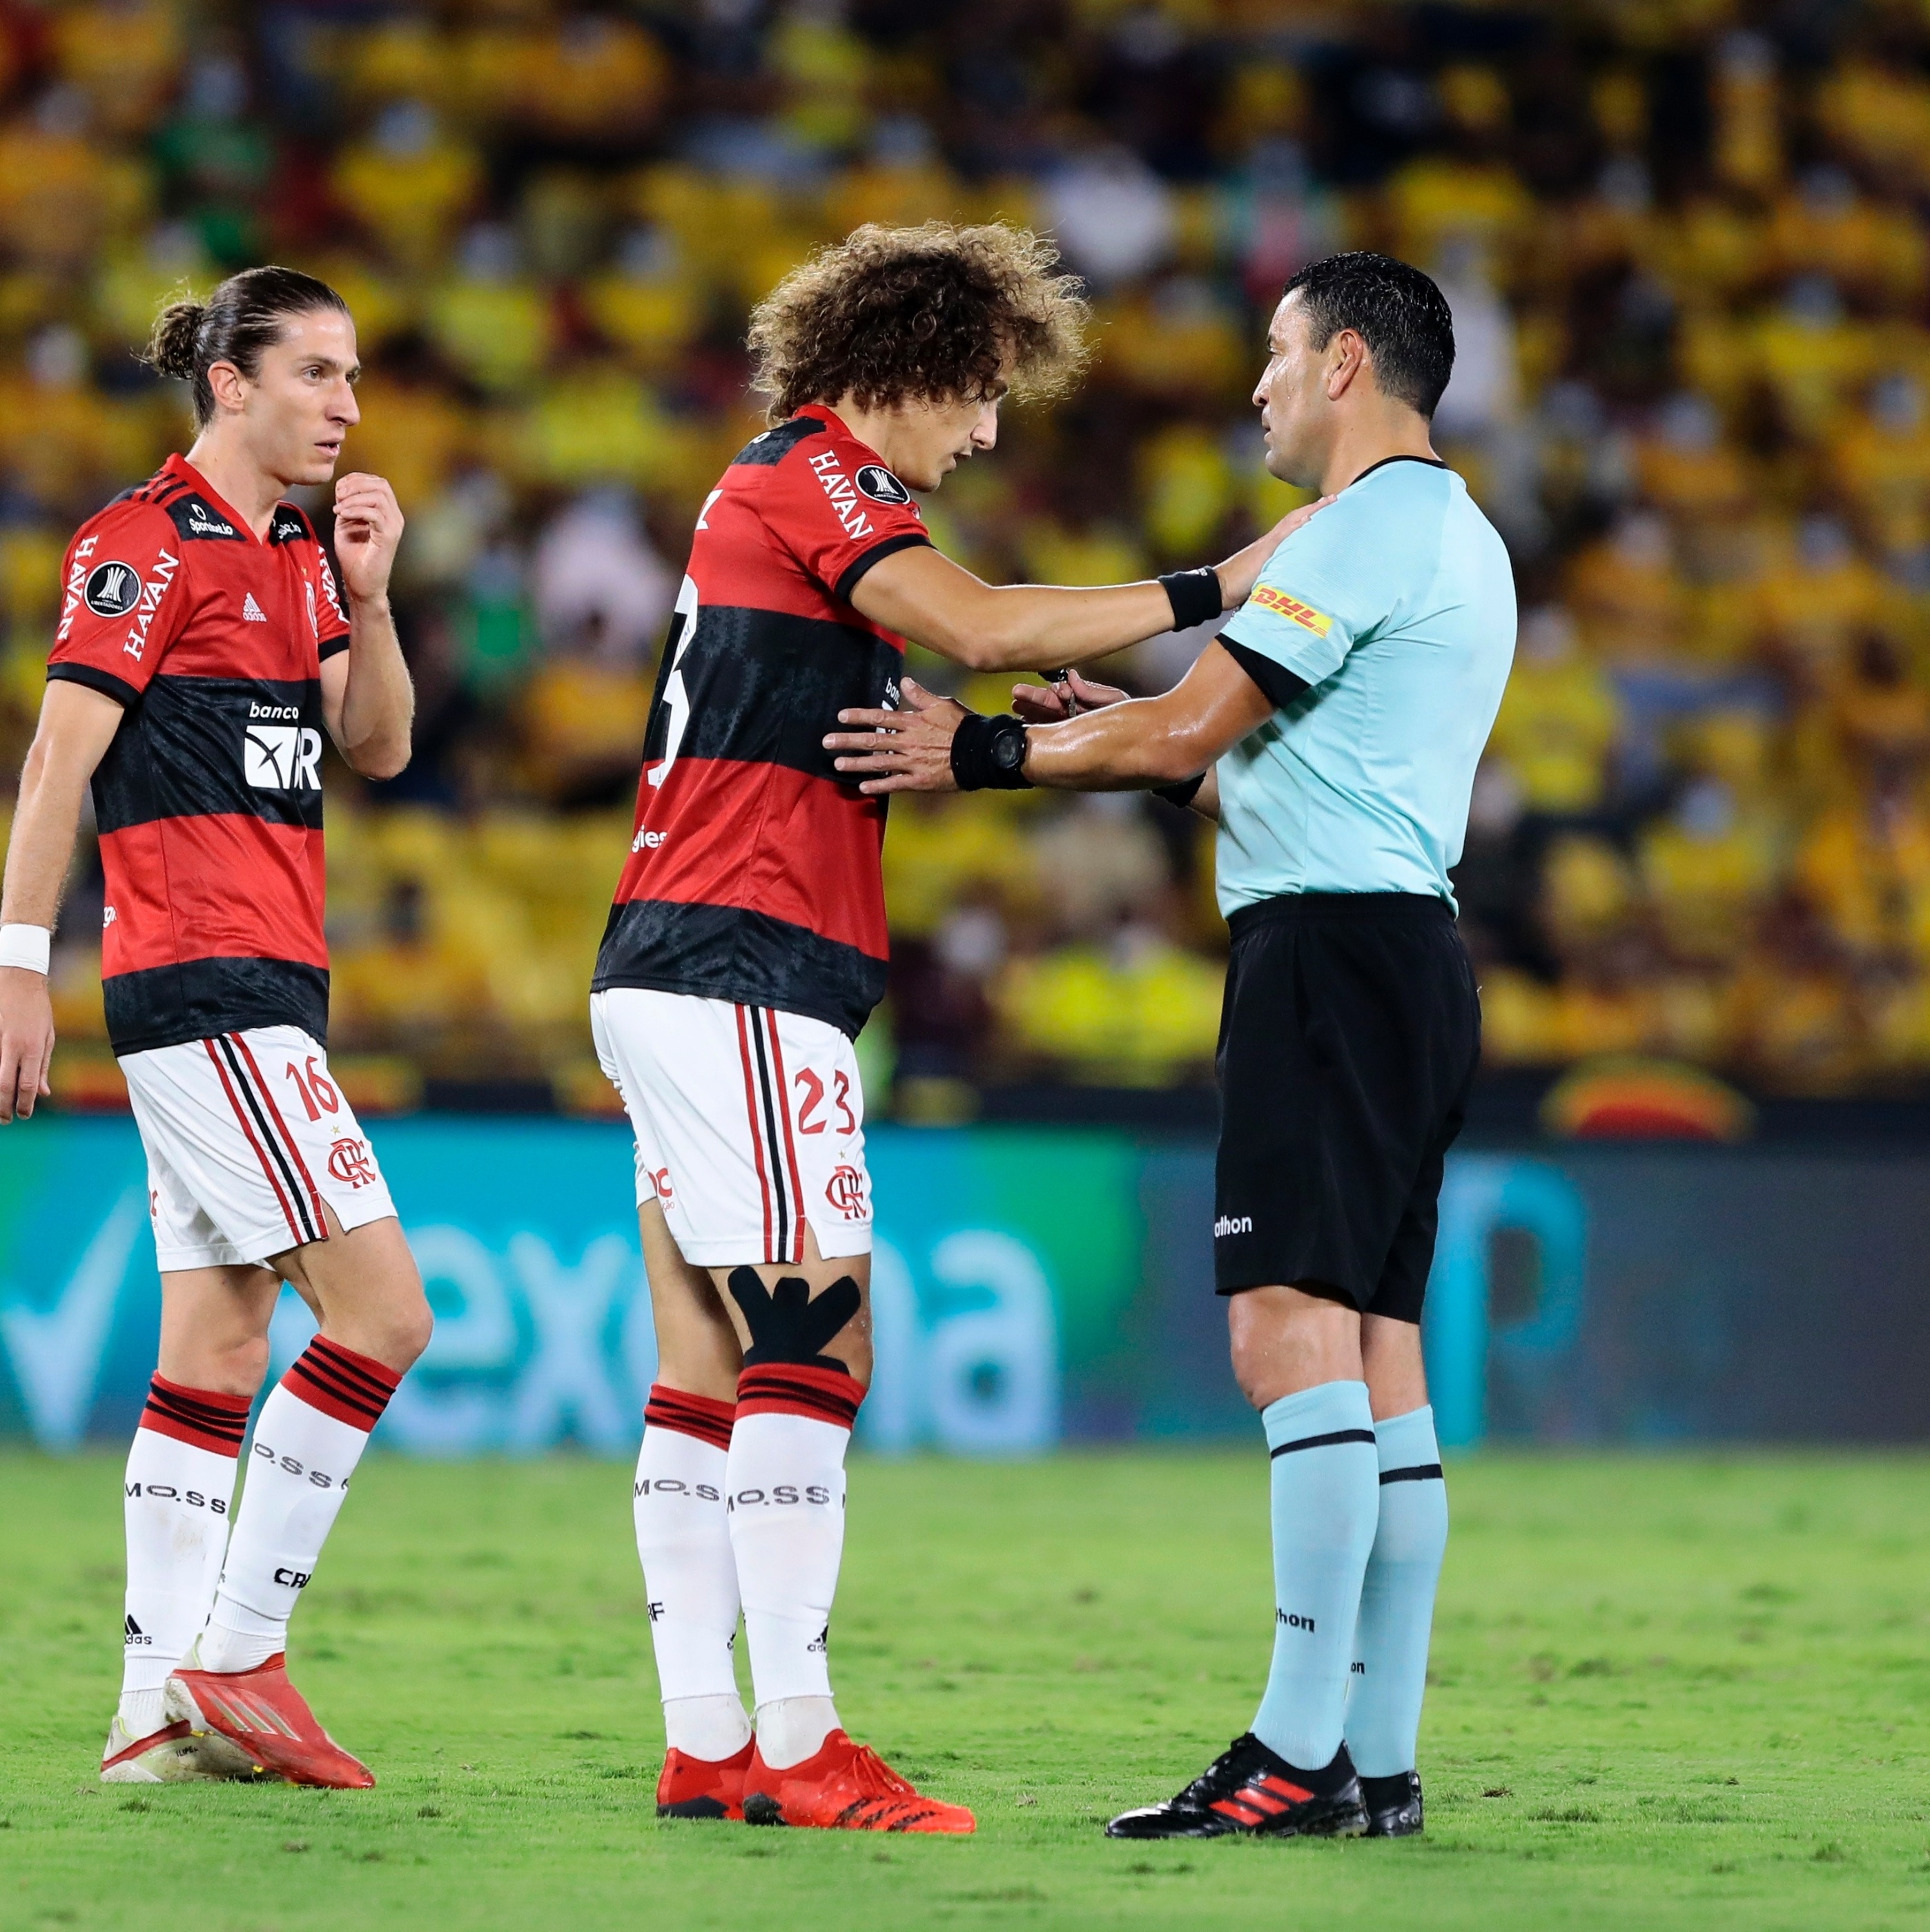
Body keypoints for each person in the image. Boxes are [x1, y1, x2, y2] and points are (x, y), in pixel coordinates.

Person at [592, 220, 1314, 1833]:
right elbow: (979, 622)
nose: (987, 431)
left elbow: (922, 694)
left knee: (706, 1355)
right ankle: (801, 1739)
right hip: (741, 963)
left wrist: (1019, 725)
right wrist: (1222, 584)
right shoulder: (818, 475)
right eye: (979, 392)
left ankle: (711, 1736)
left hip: (679, 962)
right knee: (814, 1340)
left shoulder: (785, 507)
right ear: (901, 364)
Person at [827, 251, 1517, 1842]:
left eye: (1274, 352)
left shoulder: (1356, 531)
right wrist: (1114, 722)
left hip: (1325, 965)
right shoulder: (1460, 539)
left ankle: (1291, 1751)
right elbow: (1247, 761)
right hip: (1407, 949)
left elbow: (1190, 730)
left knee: (1286, 1337)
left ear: (1348, 362)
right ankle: (1380, 1754)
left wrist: (985, 745)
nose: (1256, 384)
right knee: (1379, 1354)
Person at [0, 269, 427, 1788]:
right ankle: (236, 1649)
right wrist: (14, 969)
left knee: (220, 1343)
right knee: (385, 1315)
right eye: (317, 373)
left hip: (268, 982)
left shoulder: (305, 560)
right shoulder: (141, 542)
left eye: (355, 376)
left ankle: (146, 1714)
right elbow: (56, 764)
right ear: (230, 384)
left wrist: (372, 596)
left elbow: (375, 742)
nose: (347, 407)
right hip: (204, 981)